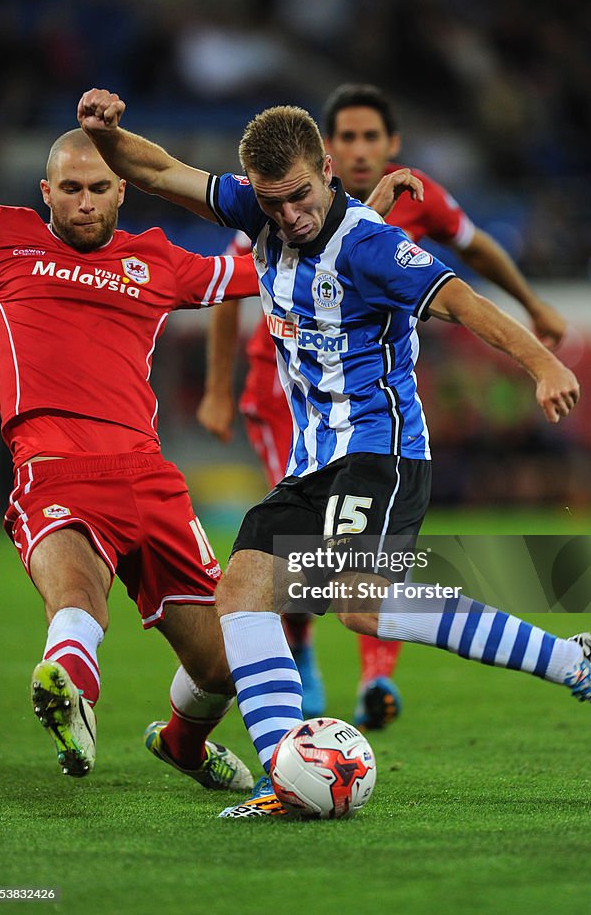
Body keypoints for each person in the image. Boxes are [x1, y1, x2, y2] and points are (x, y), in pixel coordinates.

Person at [77, 88, 591, 819]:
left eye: (300, 196)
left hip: (381, 455)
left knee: (360, 604)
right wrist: (107, 133)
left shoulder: (374, 246)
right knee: (242, 592)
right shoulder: (260, 209)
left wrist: (544, 365)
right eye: (272, 202)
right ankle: (286, 778)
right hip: (312, 463)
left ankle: (578, 661)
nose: (287, 216)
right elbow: (158, 172)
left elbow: (463, 303)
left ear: (327, 171)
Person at [197, 83, 567, 730]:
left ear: (385, 146)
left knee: (343, 592)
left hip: (371, 430)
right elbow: (265, 271)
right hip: (293, 412)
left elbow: (459, 265)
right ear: (328, 150)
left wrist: (536, 323)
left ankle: (372, 677)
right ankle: (283, 736)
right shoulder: (281, 206)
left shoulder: (414, 205)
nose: (359, 148)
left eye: (371, 137)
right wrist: (217, 390)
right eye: (347, 136)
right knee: (262, 585)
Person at [0, 128, 260, 792]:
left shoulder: (156, 260)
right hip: (54, 466)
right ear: (45, 191)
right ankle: (71, 696)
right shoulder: (0, 239)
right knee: (78, 603)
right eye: (69, 189)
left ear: (121, 191)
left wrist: (360, 219)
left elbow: (256, 273)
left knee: (223, 663)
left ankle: (182, 744)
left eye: (97, 188)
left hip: (151, 478)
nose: (83, 203)